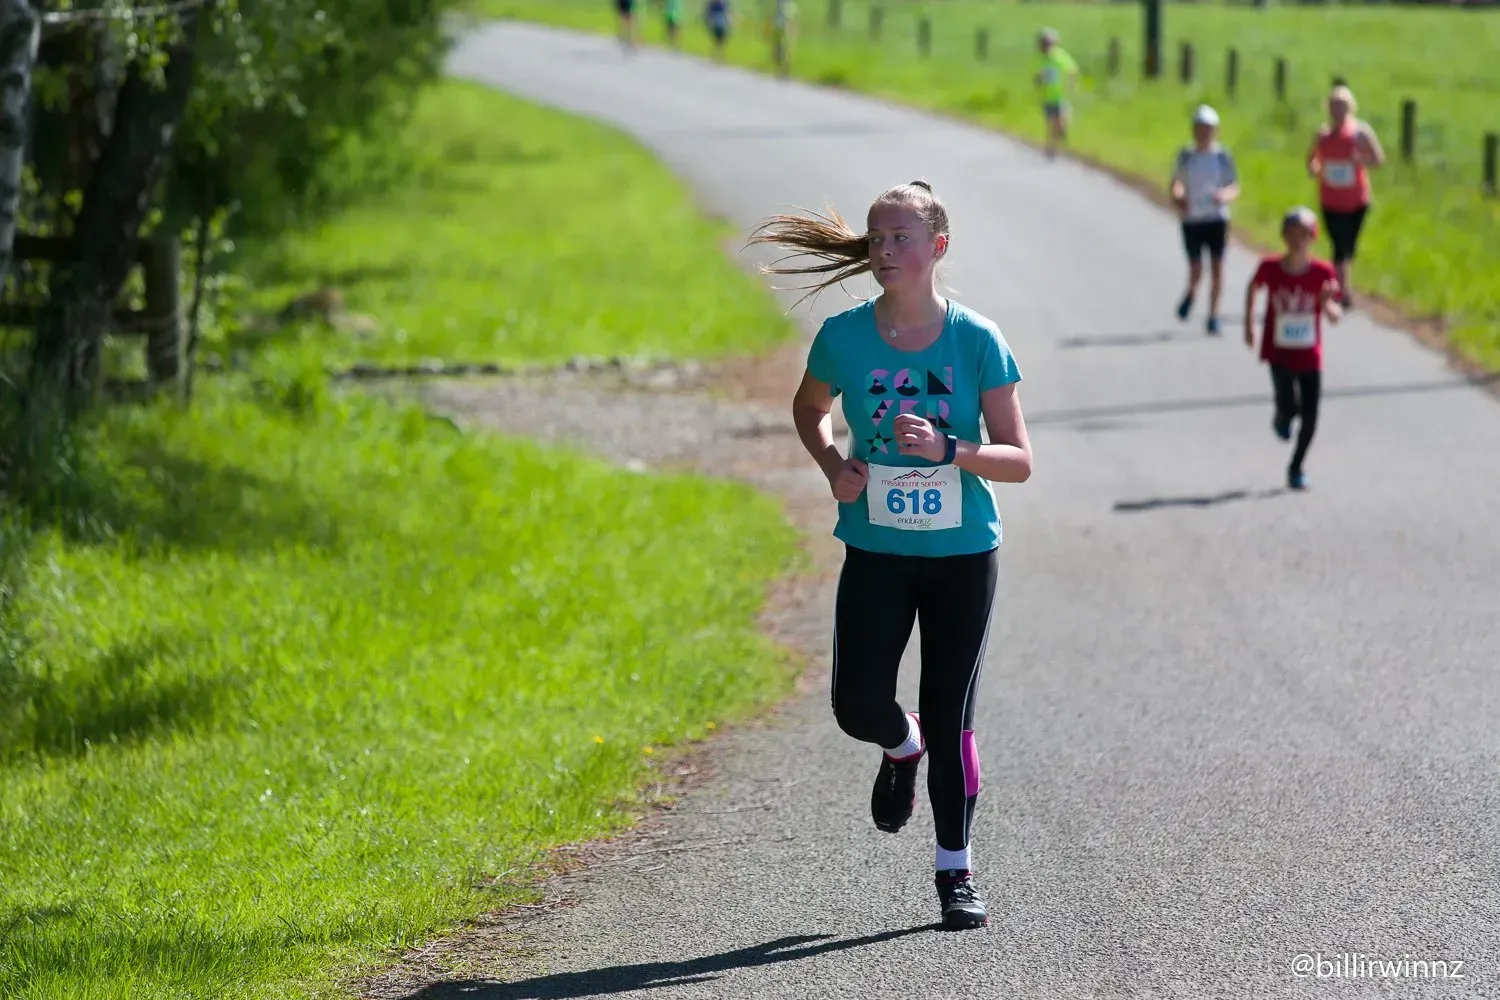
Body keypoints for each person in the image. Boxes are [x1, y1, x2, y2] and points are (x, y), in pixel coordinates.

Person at [746, 180, 1033, 930]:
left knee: (953, 717)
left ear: (937, 248)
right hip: (875, 549)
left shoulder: (977, 340)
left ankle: (956, 870)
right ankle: (899, 747)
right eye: (876, 237)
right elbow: (809, 409)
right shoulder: (844, 337)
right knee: (855, 706)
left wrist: (952, 449)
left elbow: (1019, 460)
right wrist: (831, 461)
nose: (884, 250)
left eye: (901, 237)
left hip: (963, 555)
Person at [1243, 207, 1343, 491]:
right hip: (1279, 351)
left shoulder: (1322, 272)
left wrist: (1328, 306)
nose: (1298, 240)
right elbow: (1253, 287)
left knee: (1311, 416)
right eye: (1293, 234)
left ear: (1313, 238)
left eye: (1304, 235)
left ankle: (1296, 467)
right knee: (1290, 404)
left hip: (1310, 354)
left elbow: (1334, 311)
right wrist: (1249, 325)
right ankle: (1282, 415)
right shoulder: (1270, 268)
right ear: (1284, 236)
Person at [1306, 85, 1385, 309]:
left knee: (1348, 245)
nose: (1337, 110)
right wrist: (1314, 168)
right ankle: (1343, 291)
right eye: (1334, 106)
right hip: (1330, 199)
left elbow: (1378, 159)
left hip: (1356, 200)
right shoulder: (1323, 135)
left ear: (1350, 107)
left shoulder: (1361, 133)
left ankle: (1342, 286)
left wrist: (1360, 160)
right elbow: (1312, 159)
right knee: (1338, 244)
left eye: (1342, 106)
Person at [1169, 104, 1240, 335]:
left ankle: (1213, 315)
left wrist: (1224, 196)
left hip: (1216, 219)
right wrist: (1179, 195)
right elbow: (1176, 182)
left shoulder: (1222, 157)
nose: (1204, 133)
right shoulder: (1186, 155)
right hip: (1192, 219)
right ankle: (1191, 293)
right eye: (1200, 128)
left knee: (1218, 268)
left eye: (1208, 129)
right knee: (1197, 268)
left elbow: (1233, 185)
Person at [1034, 28, 1079, 159]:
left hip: (1060, 95)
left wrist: (1072, 84)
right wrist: (1038, 81)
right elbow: (1040, 75)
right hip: (1047, 96)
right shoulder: (1042, 60)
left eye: (1048, 44)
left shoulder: (1060, 57)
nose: (1046, 48)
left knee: (1059, 121)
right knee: (1051, 123)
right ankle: (1051, 148)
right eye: (1043, 45)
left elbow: (1073, 70)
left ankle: (1055, 142)